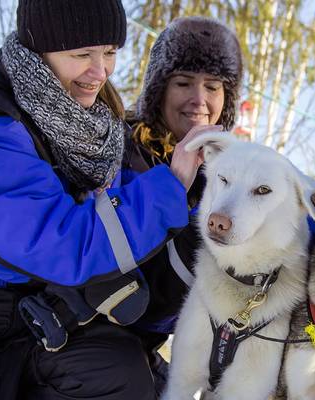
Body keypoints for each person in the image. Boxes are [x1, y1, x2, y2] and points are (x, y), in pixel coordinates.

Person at [0, 1, 207, 399]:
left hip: (36, 319)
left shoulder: (97, 130)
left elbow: (131, 244)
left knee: (126, 376)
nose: (100, 71)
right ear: (40, 48)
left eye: (109, 53)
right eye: (82, 54)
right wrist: (172, 184)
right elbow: (62, 243)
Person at [120, 16, 243, 391]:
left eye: (213, 87)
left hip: (149, 350)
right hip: (99, 339)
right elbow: (139, 292)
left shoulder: (224, 178)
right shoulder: (124, 153)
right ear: (158, 90)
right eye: (183, 82)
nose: (200, 100)